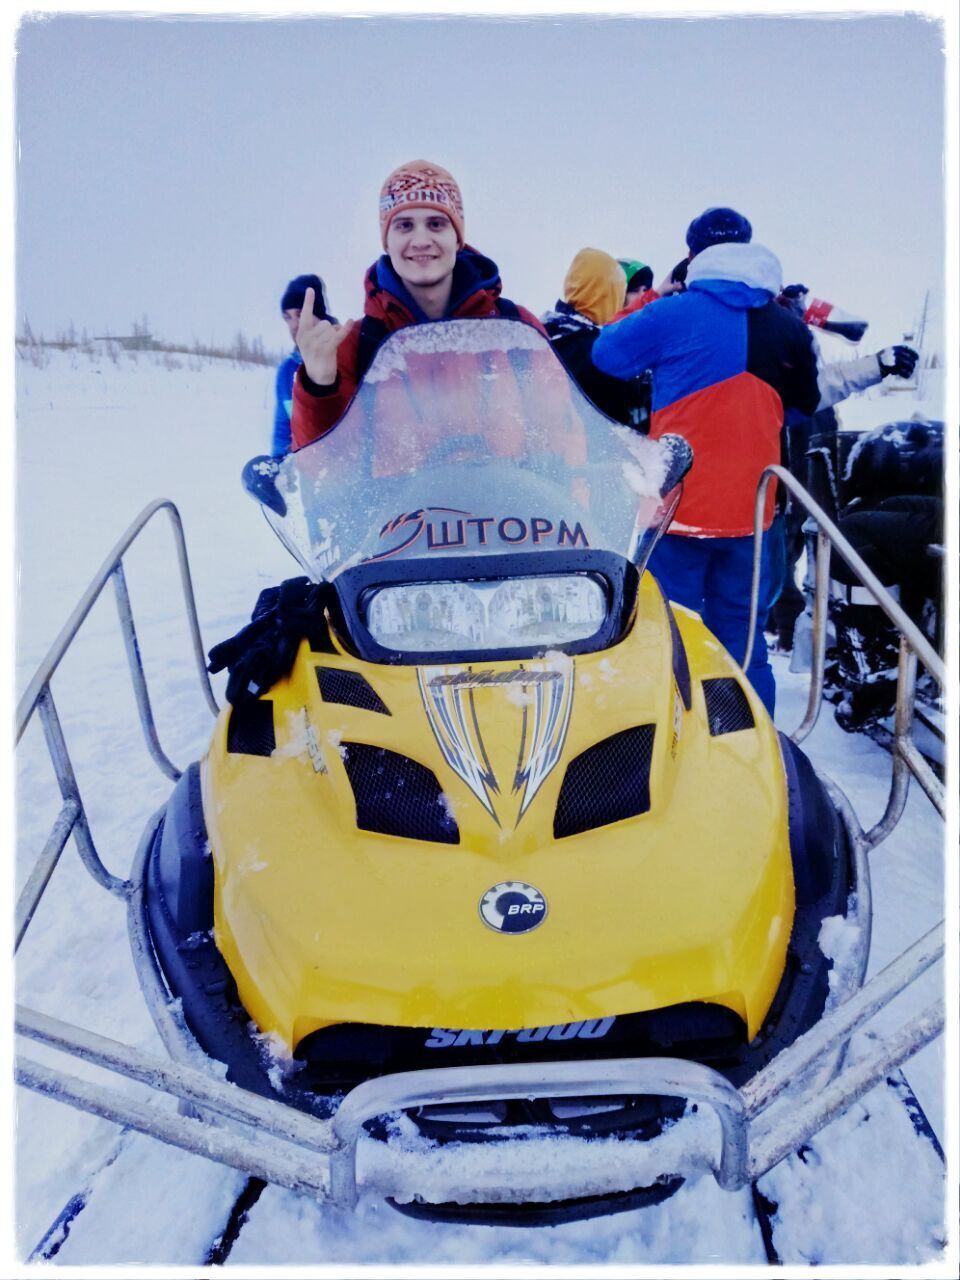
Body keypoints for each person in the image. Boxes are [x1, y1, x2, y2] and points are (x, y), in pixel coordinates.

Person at [592, 239, 820, 716]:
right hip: (753, 513)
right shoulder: (788, 327)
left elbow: (606, 354)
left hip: (677, 508)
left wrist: (656, 300)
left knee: (664, 635)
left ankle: (669, 736)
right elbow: (804, 406)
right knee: (743, 642)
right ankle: (753, 746)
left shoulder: (673, 312)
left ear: (697, 262)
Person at [291, 160, 542, 450]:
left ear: (457, 237)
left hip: (509, 494)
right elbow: (323, 473)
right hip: (396, 497)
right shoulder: (354, 347)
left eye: (436, 224)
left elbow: (566, 445)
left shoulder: (518, 330)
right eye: (404, 225)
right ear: (387, 240)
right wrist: (319, 385)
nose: (421, 240)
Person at [541, 249, 650, 427]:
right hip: (593, 448)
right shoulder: (596, 349)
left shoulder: (545, 331)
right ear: (607, 295)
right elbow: (628, 416)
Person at [272, 274, 335, 457]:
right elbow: (283, 428)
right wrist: (277, 466)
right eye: (287, 317)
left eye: (300, 314)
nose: (294, 325)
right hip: (310, 477)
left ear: (319, 313)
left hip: (353, 477)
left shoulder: (352, 351)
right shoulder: (287, 372)